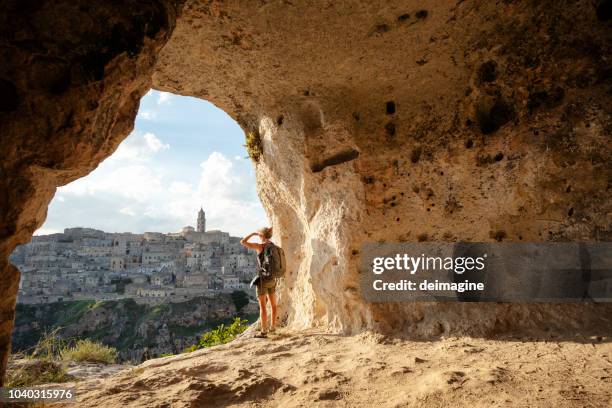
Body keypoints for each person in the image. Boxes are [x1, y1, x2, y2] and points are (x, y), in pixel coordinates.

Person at [240, 227, 277, 337]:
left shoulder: (260, 247)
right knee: (274, 305)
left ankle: (264, 331)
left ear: (261, 235)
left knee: (263, 307)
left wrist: (253, 233)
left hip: (262, 280)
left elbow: (242, 242)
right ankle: (273, 328)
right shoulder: (273, 246)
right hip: (272, 279)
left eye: (259, 234)